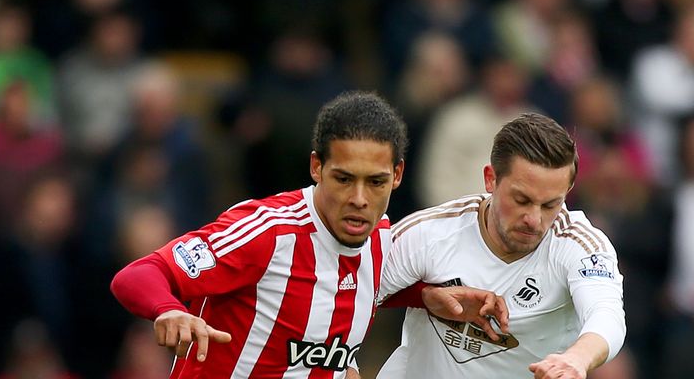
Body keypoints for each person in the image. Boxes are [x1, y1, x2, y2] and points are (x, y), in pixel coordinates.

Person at [110, 91, 507, 378]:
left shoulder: (381, 244)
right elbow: (139, 275)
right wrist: (169, 309)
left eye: (376, 182)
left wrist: (424, 296)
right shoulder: (265, 232)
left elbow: (349, 288)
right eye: (343, 178)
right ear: (317, 167)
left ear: (398, 176)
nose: (359, 199)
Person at [376, 112, 626, 379]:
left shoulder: (578, 245)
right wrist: (422, 296)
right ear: (490, 179)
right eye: (521, 200)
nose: (533, 219)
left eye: (550, 204)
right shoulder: (429, 233)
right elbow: (352, 291)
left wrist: (576, 359)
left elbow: (606, 316)